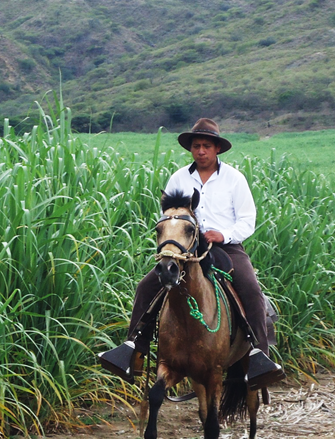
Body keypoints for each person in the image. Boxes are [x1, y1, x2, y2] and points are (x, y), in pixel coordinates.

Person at [99, 118, 286, 389]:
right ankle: (133, 350)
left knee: (250, 288)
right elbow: (168, 215)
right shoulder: (179, 178)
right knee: (147, 286)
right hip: (186, 248)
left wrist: (224, 234)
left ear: (217, 149)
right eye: (196, 146)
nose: (201, 151)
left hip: (226, 246)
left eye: (206, 146)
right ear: (191, 149)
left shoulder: (234, 178)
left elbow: (248, 219)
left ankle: (259, 356)